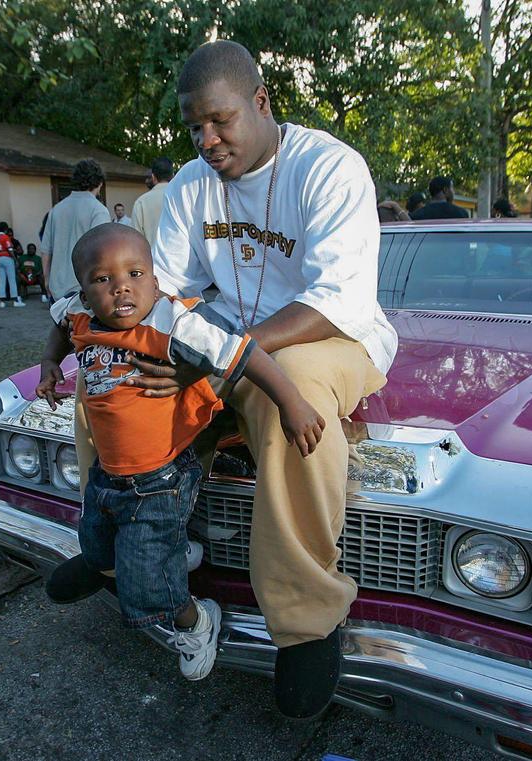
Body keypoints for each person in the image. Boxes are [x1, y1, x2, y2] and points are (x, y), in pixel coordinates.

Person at [77, 40, 396, 719]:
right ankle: (106, 548)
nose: (207, 139)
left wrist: (224, 354)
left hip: (331, 337)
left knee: (294, 397)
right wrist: (178, 347)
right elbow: (166, 290)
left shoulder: (329, 167)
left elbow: (338, 296)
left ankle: (307, 618)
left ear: (261, 102)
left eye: (220, 120)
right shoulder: (193, 183)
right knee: (110, 373)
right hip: (224, 337)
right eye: (194, 126)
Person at [36, 223, 325, 682]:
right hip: (107, 476)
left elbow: (244, 353)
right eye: (102, 279)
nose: (121, 287)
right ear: (84, 291)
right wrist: (52, 362)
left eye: (135, 273)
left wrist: (291, 403)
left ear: (155, 280)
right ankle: (173, 549)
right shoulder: (81, 316)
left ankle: (196, 621)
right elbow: (59, 323)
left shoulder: (172, 324)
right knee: (95, 547)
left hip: (158, 481)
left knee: (150, 590)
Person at [40, 159, 110, 300]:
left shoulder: (56, 209)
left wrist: (46, 279)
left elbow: (46, 249)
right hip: (84, 289)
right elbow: (101, 251)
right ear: (100, 183)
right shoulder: (98, 210)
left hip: (57, 288)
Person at [131, 156, 176, 245]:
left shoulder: (141, 202)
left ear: (153, 177)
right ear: (173, 175)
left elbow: (135, 239)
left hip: (150, 256)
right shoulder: (182, 197)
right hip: (182, 257)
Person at [0, 222, 25, 308]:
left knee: (2, 280)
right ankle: (15, 300)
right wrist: (15, 259)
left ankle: (2, 301)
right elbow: (10, 249)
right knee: (11, 279)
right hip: (7, 258)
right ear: (5, 229)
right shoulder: (5, 237)